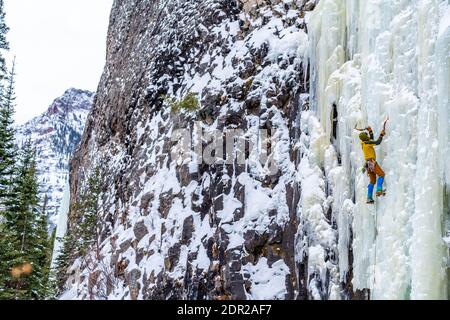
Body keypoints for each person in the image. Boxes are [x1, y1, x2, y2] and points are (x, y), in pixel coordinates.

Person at [359, 126, 386, 204]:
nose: (368, 136)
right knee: (381, 174)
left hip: (367, 165)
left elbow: (371, 139)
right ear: (365, 137)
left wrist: (370, 131)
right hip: (371, 162)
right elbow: (377, 142)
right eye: (366, 135)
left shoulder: (363, 144)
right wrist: (381, 135)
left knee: (372, 181)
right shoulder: (368, 143)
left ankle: (369, 198)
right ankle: (379, 190)